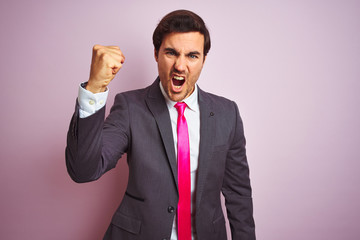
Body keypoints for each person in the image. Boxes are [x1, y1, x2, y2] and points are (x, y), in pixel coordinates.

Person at [66, 9, 255, 240]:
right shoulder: (129, 107)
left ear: (204, 60)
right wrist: (95, 86)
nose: (180, 66)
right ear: (156, 53)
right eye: (171, 53)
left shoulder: (228, 114)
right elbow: (83, 170)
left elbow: (239, 195)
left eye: (192, 56)